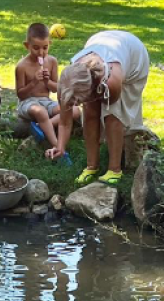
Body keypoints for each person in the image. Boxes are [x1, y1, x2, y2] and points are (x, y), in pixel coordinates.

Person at [46, 30, 149, 186]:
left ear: (93, 89)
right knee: (89, 114)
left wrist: (95, 103)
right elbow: (65, 121)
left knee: (112, 114)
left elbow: (113, 118)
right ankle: (91, 166)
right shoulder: (68, 82)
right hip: (102, 42)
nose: (74, 104)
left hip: (133, 54)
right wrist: (60, 147)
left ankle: (114, 169)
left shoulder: (111, 82)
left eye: (78, 100)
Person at [15, 22, 79, 153]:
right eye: (36, 48)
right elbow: (20, 94)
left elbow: (56, 88)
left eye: (45, 48)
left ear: (50, 43)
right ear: (27, 46)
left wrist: (47, 81)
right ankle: (58, 147)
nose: (41, 52)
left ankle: (40, 126)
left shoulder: (52, 62)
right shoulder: (21, 66)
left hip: (46, 102)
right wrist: (33, 82)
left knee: (75, 110)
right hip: (27, 103)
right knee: (40, 112)